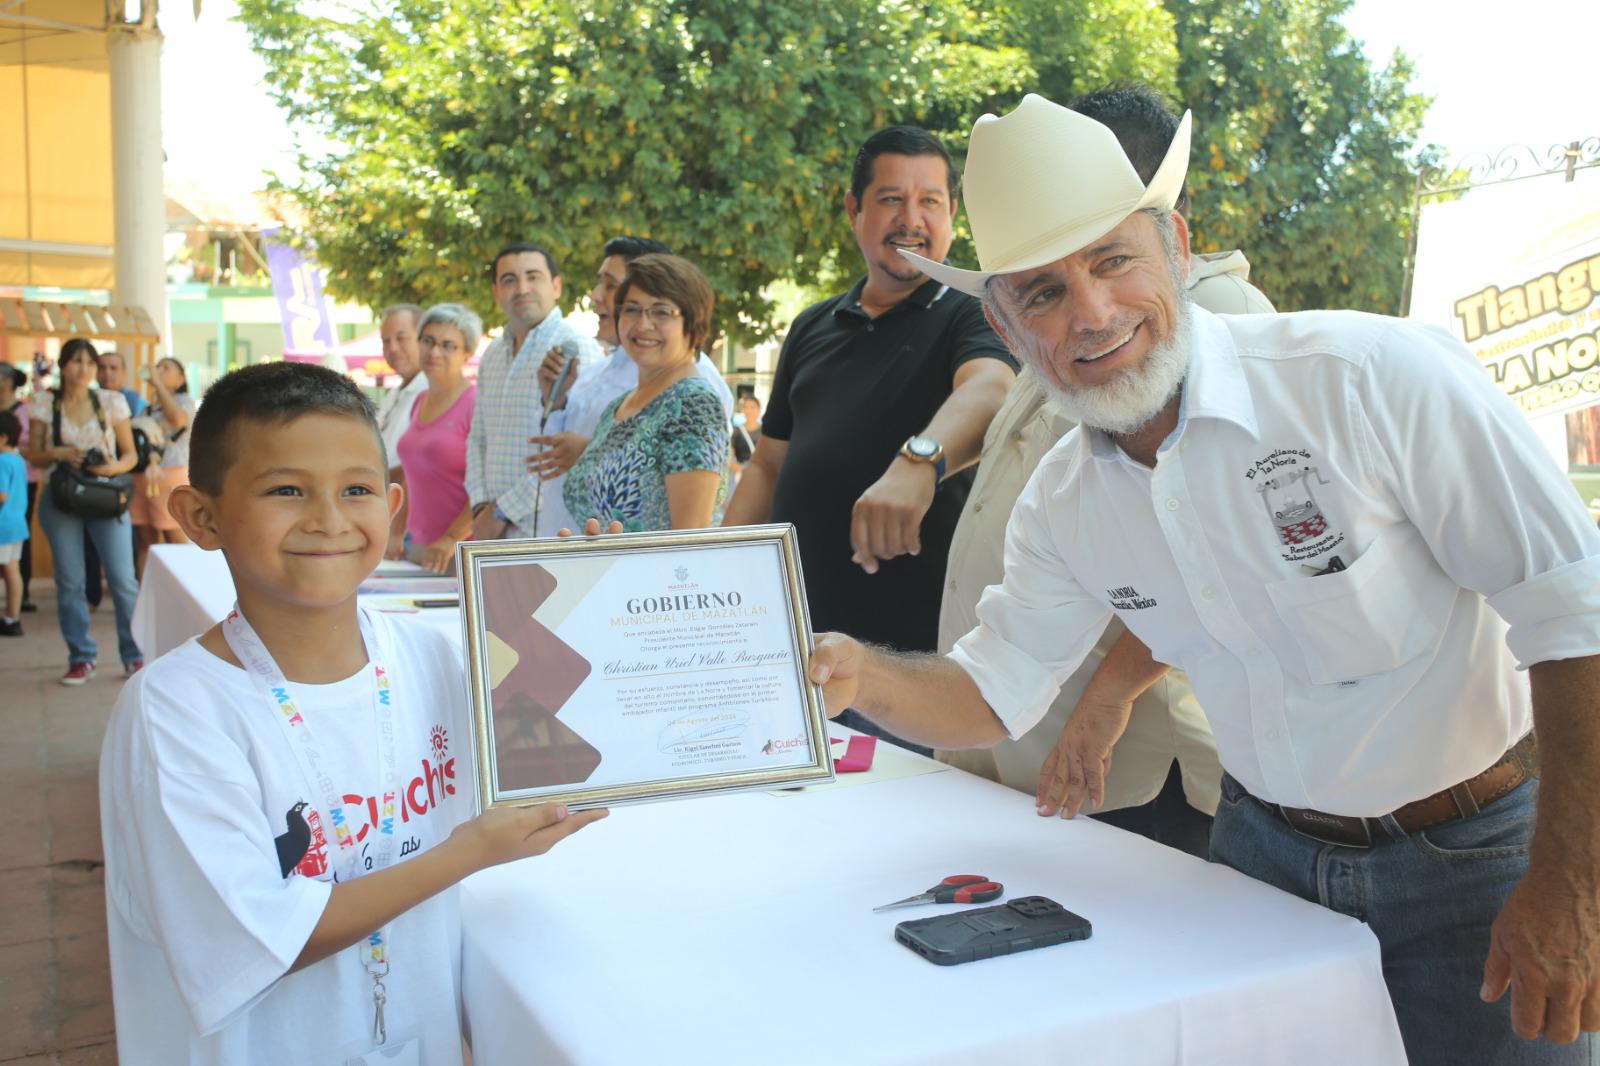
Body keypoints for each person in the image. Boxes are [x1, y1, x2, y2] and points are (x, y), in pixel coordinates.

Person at [804, 93, 1600, 1064]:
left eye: (1112, 260)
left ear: (1174, 244)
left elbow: (1574, 609)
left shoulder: (1366, 377)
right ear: (1005, 324)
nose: (1090, 314)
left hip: (1477, 859)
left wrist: (1573, 874)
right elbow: (993, 689)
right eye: (1043, 292)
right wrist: (857, 674)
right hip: (1259, 862)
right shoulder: (1066, 503)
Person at [98, 361, 608, 1065]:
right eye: (285, 490)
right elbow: (255, 939)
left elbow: (584, 733)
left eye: (357, 490)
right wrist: (470, 851)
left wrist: (776, 677)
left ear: (392, 505)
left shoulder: (428, 658)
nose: (329, 519)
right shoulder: (176, 712)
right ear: (201, 517)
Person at [936, 83, 1275, 858]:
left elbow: (1220, 552)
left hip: (1122, 769)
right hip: (1025, 729)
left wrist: (1106, 701)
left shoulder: (1213, 315)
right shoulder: (1064, 316)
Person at [720, 124, 1018, 750]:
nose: (911, 219)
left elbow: (991, 389)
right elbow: (769, 467)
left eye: (930, 201)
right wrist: (711, 573)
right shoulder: (811, 325)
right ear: (854, 210)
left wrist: (919, 462)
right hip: (792, 655)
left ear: (952, 215)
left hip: (908, 680)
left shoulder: (978, 311)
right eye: (890, 199)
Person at [525, 236, 734, 485]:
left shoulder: (694, 385)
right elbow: (550, 454)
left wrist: (589, 453)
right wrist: (556, 400)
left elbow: (692, 505)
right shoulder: (594, 372)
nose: (596, 295)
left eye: (611, 285)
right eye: (632, 308)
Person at [564, 254, 730, 532]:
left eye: (661, 312)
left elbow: (690, 540)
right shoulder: (620, 405)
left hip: (657, 576)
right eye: (631, 309)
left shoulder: (691, 405)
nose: (643, 324)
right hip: (608, 573)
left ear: (693, 321)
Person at [466, 243, 603, 541]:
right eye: (509, 280)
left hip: (547, 532)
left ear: (556, 286)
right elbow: (478, 437)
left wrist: (502, 512)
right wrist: (480, 508)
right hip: (492, 532)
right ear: (496, 292)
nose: (522, 288)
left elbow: (571, 454)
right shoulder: (492, 352)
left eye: (533, 276)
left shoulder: (575, 348)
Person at [25, 338, 143, 683]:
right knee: (70, 581)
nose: (84, 369)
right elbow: (33, 454)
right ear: (63, 365)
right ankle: (81, 657)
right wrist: (60, 454)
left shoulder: (110, 400)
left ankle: (134, 656)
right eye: (76, 362)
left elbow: (130, 454)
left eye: (89, 363)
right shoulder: (46, 402)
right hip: (62, 498)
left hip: (104, 496)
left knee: (123, 580)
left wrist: (113, 468)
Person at [391, 303, 479, 573]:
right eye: (428, 341)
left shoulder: (476, 404)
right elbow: (413, 472)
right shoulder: (420, 400)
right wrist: (395, 529)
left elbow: (485, 486)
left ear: (467, 353)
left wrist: (451, 539)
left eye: (448, 345)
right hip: (416, 547)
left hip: (458, 552)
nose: (434, 352)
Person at [130, 357, 198, 575]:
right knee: (146, 543)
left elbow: (178, 419)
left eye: (166, 368)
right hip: (143, 480)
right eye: (157, 367)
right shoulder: (148, 409)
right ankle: (146, 599)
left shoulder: (185, 401)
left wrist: (157, 382)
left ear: (180, 379)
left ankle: (182, 596)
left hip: (171, 479)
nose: (158, 371)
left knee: (175, 540)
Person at [374, 304, 427, 477]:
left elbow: (425, 463)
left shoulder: (432, 393)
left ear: (423, 339)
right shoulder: (394, 394)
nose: (393, 348)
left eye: (401, 338)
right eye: (386, 341)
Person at [0, 364, 36, 612]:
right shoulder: (14, 461)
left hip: (7, 511)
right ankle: (13, 611)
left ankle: (16, 606)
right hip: (16, 508)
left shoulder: (24, 410)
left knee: (11, 564)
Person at [0, 410, 26, 635]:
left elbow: (2, 495)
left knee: (7, 572)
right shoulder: (18, 460)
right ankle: (12, 616)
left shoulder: (1, 461)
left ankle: (9, 617)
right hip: (17, 525)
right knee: (12, 571)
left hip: (2, 527)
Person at [96, 350, 149, 416]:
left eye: (113, 368)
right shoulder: (88, 400)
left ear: (124, 373)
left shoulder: (138, 404)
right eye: (102, 368)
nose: (107, 373)